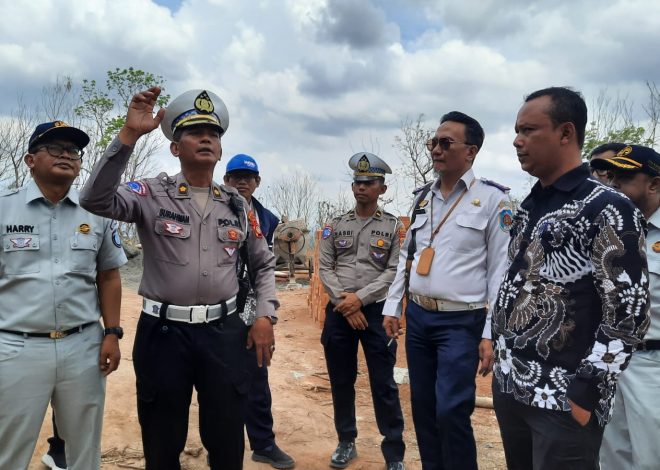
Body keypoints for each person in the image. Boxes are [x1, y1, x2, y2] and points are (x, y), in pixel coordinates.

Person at [79, 88, 279, 470]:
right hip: (163, 335)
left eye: (214, 134)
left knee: (225, 437)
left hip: (224, 334)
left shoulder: (238, 205)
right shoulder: (152, 194)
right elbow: (94, 200)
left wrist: (265, 316)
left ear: (220, 150)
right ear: (174, 147)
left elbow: (263, 265)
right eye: (195, 132)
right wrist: (128, 137)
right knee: (161, 437)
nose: (207, 138)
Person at [492, 87, 650, 470]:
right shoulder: (530, 205)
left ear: (566, 133)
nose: (517, 140)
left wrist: (586, 393)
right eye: (517, 130)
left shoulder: (607, 207)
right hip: (512, 384)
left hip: (562, 399)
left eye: (529, 130)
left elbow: (629, 311)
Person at [382, 111, 512, 470]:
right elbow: (407, 258)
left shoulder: (493, 201)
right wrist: (393, 306)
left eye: (445, 143)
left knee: (451, 411)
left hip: (462, 322)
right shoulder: (423, 198)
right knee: (423, 409)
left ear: (470, 152)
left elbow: (500, 273)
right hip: (421, 318)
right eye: (433, 143)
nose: (436, 150)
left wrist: (489, 332)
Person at [0, 121, 127, 469]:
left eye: (73, 151)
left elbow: (109, 275)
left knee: (84, 448)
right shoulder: (3, 209)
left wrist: (112, 333)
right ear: (29, 159)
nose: (66, 156)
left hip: (82, 346)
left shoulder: (97, 211)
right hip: (16, 346)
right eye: (55, 148)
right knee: (8, 447)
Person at [318, 152, 406, 470]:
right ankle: (346, 441)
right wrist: (345, 302)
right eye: (357, 182)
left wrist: (360, 299)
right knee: (342, 380)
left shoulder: (392, 226)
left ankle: (394, 453)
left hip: (376, 314)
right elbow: (325, 266)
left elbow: (393, 271)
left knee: (384, 384)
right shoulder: (335, 224)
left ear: (382, 188)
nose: (361, 188)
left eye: (369, 183)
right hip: (340, 312)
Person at [590, 145, 660, 470]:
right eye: (612, 175)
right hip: (609, 361)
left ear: (655, 184)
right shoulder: (608, 232)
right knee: (610, 459)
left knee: (650, 460)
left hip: (653, 367)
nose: (614, 183)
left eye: (626, 176)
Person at [223, 154, 294, 469]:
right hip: (217, 310)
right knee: (219, 384)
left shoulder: (267, 219)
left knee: (256, 378)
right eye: (236, 176)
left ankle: (263, 443)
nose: (242, 182)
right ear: (226, 180)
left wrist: (265, 315)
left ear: (257, 182)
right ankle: (222, 446)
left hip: (253, 311)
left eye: (248, 177)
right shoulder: (215, 208)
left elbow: (264, 269)